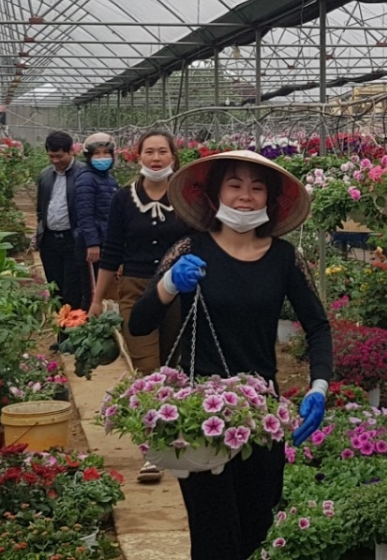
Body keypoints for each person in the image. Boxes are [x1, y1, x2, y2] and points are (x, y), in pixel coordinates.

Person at [129, 150, 332, 560]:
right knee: (214, 537)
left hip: (262, 415)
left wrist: (319, 387)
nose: (245, 196)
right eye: (235, 185)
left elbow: (318, 326)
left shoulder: (283, 258)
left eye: (257, 188)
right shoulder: (191, 249)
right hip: (201, 414)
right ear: (216, 193)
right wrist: (170, 281)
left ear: (270, 200)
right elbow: (140, 322)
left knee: (257, 527)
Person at [89, 129, 188, 483]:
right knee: (147, 366)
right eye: (150, 152)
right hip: (134, 288)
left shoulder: (188, 195)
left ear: (174, 156)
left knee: (174, 365)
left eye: (163, 151)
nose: (157, 158)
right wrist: (98, 299)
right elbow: (111, 250)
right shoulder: (123, 199)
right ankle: (153, 449)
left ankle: (177, 431)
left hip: (181, 289)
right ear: (139, 156)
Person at [35, 131, 84, 316]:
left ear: (71, 151)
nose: (55, 160)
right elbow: (40, 208)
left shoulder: (83, 174)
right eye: (51, 156)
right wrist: (41, 229)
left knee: (73, 289)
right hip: (49, 241)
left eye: (59, 156)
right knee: (55, 289)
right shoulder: (45, 176)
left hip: (73, 240)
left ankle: (73, 336)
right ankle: (62, 335)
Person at [74, 132, 118, 307]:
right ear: (88, 157)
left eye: (106, 153)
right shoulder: (86, 179)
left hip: (105, 242)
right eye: (97, 154)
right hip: (92, 246)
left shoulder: (110, 180)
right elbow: (85, 214)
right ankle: (88, 329)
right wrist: (92, 244)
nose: (102, 157)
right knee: (93, 293)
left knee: (105, 290)